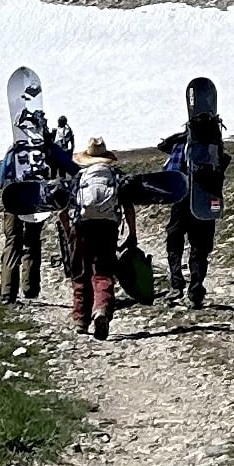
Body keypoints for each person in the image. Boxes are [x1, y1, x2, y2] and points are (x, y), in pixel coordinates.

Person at [0, 121, 74, 303]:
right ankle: (30, 287)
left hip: (13, 197)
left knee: (13, 240)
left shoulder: (14, 149)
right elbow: (70, 166)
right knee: (32, 241)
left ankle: (8, 291)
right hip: (37, 199)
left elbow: (2, 176)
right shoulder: (49, 149)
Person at [153, 124, 229, 308]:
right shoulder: (214, 147)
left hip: (183, 198)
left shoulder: (181, 145)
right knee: (200, 247)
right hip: (206, 197)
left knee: (174, 238)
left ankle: (177, 283)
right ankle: (196, 289)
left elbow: (167, 161)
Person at [67, 138, 135, 339]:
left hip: (81, 227)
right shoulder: (115, 176)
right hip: (108, 227)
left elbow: (65, 208)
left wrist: (67, 228)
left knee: (80, 271)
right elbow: (128, 208)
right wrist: (132, 233)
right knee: (103, 271)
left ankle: (80, 319)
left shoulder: (79, 177)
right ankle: (101, 309)